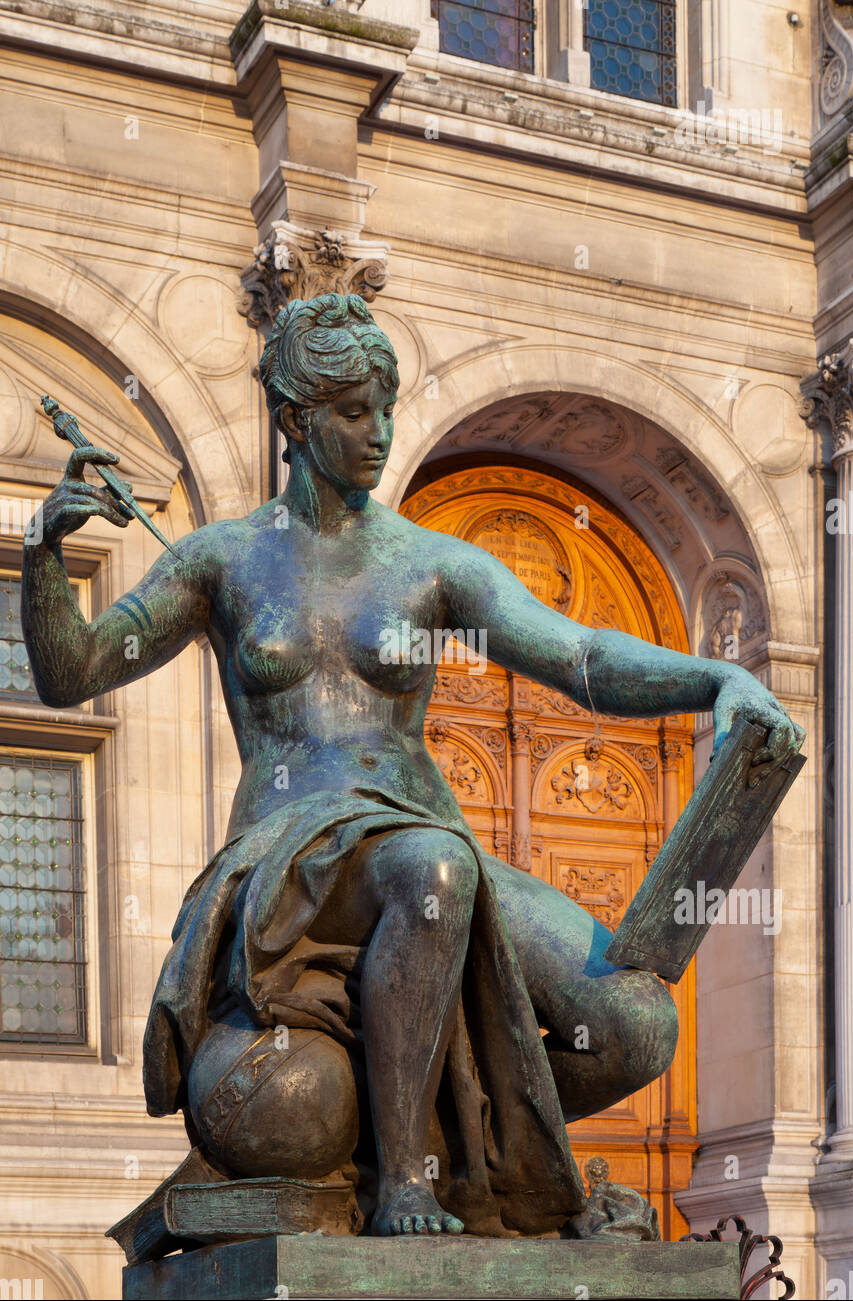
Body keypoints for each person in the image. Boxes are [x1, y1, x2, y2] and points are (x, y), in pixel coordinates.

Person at [22, 293, 804, 1239]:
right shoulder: (220, 560)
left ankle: (452, 1116)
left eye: (387, 408)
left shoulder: (431, 564)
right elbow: (74, 675)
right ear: (296, 420)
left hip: (422, 833)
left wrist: (717, 676)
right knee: (431, 867)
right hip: (294, 848)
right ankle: (404, 1183)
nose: (381, 433)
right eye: (355, 412)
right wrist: (42, 552)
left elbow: (579, 655)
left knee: (638, 1027)